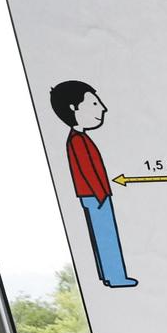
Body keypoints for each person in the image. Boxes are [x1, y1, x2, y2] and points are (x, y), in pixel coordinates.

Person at [49, 81, 137, 288]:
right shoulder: (77, 141)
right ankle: (115, 277)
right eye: (94, 104)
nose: (102, 108)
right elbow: (87, 172)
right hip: (96, 196)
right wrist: (100, 194)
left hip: (96, 195)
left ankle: (109, 276)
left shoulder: (80, 139)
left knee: (103, 237)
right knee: (106, 238)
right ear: (74, 108)